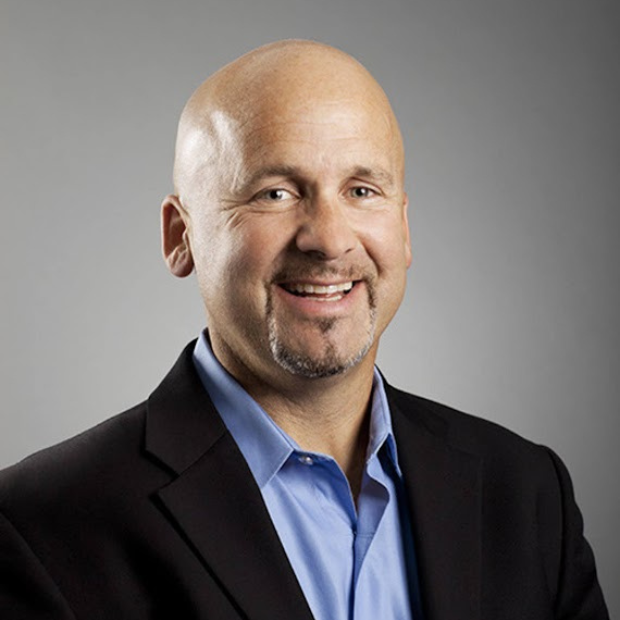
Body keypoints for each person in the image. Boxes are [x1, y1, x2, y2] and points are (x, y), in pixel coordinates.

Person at [0, 40, 609, 620]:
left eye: (361, 190)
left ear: (403, 226)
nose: (329, 238)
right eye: (276, 192)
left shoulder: (527, 493)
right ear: (179, 236)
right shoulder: (40, 525)